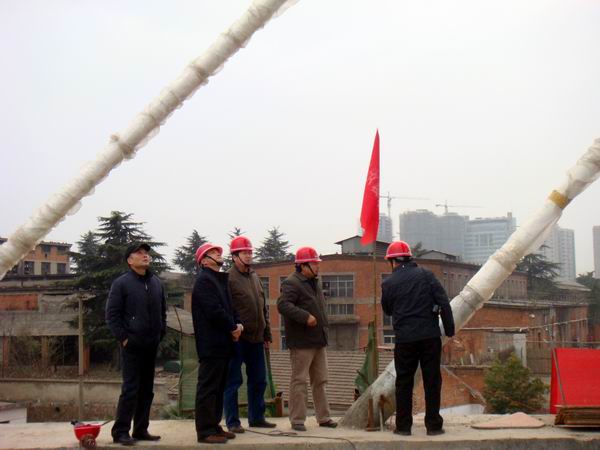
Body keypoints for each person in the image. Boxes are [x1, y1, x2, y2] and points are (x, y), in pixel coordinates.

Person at [381, 241, 455, 437]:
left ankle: (403, 427)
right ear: (409, 258)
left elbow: (387, 309)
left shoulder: (388, 283)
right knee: (432, 380)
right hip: (429, 337)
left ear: (392, 261)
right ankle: (434, 426)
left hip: (405, 339)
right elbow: (443, 302)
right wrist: (449, 330)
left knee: (404, 382)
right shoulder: (426, 275)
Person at [105, 242, 166, 446]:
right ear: (130, 260)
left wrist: (160, 333)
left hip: (151, 344)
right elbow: (112, 315)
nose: (145, 255)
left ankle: (140, 429)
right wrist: (124, 338)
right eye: (139, 253)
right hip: (132, 345)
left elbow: (162, 311)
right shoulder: (121, 283)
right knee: (130, 389)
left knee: (147, 390)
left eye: (146, 252)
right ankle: (120, 431)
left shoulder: (156, 282)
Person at [277, 246, 337, 432]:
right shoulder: (291, 283)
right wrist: (305, 317)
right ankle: (297, 419)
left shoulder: (313, 282)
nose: (317, 266)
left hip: (318, 340)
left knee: (320, 380)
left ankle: (324, 417)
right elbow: (283, 305)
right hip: (302, 342)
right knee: (299, 380)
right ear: (303, 266)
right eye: (314, 263)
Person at [192, 243, 243, 444]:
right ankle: (205, 431)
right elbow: (214, 311)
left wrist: (238, 324)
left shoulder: (220, 280)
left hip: (223, 343)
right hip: (211, 344)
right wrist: (232, 327)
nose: (218, 254)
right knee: (208, 388)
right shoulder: (204, 281)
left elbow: (231, 308)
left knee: (219, 387)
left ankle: (214, 425)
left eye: (218, 252)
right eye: (212, 253)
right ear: (204, 261)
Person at [224, 236, 276, 433]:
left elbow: (263, 308)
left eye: (250, 252)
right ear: (234, 256)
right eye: (244, 252)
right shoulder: (228, 279)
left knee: (259, 380)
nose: (248, 255)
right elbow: (226, 308)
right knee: (233, 381)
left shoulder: (255, 277)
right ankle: (232, 422)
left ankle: (257, 418)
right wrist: (231, 330)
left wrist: (267, 334)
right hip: (237, 339)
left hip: (257, 338)